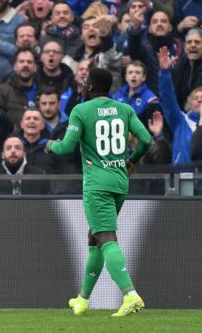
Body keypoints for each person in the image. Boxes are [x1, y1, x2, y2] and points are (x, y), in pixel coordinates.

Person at [46, 68, 151, 317]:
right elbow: (146, 139)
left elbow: (67, 146)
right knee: (94, 238)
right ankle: (82, 299)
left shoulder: (81, 111)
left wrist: (50, 145)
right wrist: (131, 160)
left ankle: (130, 294)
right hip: (119, 181)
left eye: (84, 82)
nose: (82, 86)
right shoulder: (124, 109)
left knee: (106, 238)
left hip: (97, 184)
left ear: (91, 87)